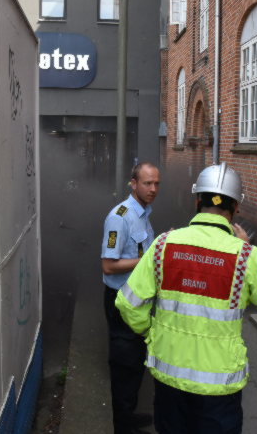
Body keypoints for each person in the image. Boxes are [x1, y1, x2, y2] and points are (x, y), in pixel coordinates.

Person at [115, 162, 257, 434]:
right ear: (236, 208)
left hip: (169, 377)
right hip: (219, 387)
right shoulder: (246, 255)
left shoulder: (163, 244)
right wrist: (253, 250)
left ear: (197, 201)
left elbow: (127, 302)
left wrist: (151, 333)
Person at [101, 162, 161, 434]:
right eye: (147, 183)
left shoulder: (143, 213)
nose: (153, 189)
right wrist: (148, 259)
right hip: (120, 301)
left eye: (156, 183)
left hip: (138, 300)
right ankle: (122, 426)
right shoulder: (120, 216)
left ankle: (128, 415)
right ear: (133, 183)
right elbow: (108, 265)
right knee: (125, 363)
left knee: (136, 360)